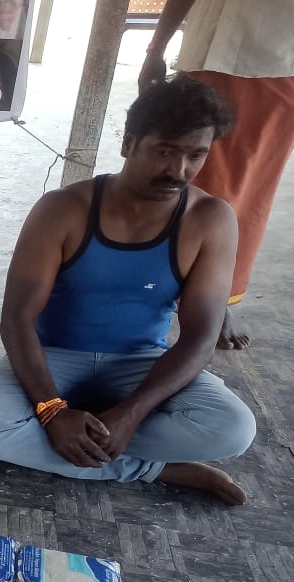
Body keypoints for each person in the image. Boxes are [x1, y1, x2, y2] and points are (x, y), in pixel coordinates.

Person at [0, 77, 256, 504]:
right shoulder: (63, 209)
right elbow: (17, 319)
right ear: (129, 143)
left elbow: (200, 336)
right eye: (165, 152)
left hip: (140, 362)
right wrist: (51, 410)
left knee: (233, 428)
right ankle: (156, 469)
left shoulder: (210, 219)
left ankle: (91, 444)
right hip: (54, 360)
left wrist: (132, 413)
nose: (179, 171)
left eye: (196, 155)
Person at [140, 0, 294, 350]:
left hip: (272, 60)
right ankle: (152, 288)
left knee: (242, 192)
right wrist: (157, 45)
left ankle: (217, 298)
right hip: (204, 54)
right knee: (173, 178)